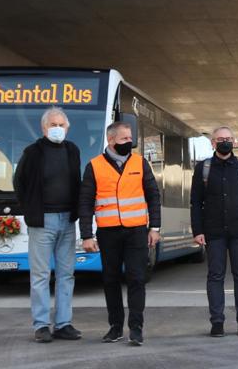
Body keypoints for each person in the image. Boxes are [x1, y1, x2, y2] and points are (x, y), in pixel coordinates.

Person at [79, 121, 162, 346]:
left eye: (130, 138)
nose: (130, 142)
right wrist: (87, 235)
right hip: (108, 233)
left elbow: (153, 196)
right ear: (111, 140)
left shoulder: (140, 163)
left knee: (137, 279)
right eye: (125, 139)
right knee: (111, 280)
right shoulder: (94, 166)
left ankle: (136, 328)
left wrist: (155, 228)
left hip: (136, 232)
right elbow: (85, 202)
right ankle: (115, 327)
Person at [13, 106, 83, 343]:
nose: (57, 129)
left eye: (61, 125)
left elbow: (77, 181)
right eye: (52, 125)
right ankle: (41, 325)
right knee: (41, 275)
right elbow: (19, 183)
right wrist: (30, 210)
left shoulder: (73, 150)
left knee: (66, 274)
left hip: (67, 220)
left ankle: (63, 324)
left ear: (67, 127)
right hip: (42, 221)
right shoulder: (32, 152)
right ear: (43, 128)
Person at [190, 126, 238, 338]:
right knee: (215, 275)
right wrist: (198, 230)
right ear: (213, 143)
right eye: (221, 139)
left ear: (234, 142)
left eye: (229, 139)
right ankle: (217, 322)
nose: (225, 142)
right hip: (213, 232)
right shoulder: (203, 168)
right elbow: (196, 202)